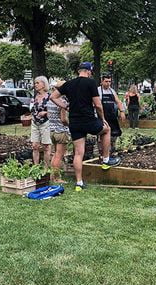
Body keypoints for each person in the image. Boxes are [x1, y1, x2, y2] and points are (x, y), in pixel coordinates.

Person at [50, 62, 120, 191]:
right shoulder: (90, 83)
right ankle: (105, 160)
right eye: (91, 72)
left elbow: (52, 97)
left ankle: (79, 183)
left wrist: (65, 106)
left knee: (78, 153)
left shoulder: (69, 84)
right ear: (88, 71)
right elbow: (98, 105)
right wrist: (103, 119)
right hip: (88, 120)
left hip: (75, 122)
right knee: (107, 129)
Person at [47, 80, 70, 183]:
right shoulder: (62, 101)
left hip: (51, 130)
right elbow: (64, 119)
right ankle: (57, 178)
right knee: (59, 155)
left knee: (54, 154)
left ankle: (52, 175)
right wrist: (70, 125)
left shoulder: (49, 100)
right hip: (61, 131)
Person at [98, 74, 125, 151]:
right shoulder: (98, 91)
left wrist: (122, 111)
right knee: (101, 135)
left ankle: (112, 150)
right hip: (102, 117)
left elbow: (118, 102)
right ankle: (102, 152)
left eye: (109, 81)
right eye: (106, 81)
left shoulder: (112, 91)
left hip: (112, 116)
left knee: (114, 134)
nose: (108, 83)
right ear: (102, 81)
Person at [31, 76, 52, 167]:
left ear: (43, 84)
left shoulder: (50, 97)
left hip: (45, 123)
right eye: (35, 83)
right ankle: (36, 168)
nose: (35, 85)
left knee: (46, 146)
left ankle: (46, 168)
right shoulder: (34, 96)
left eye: (37, 83)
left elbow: (54, 111)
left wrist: (46, 112)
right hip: (34, 123)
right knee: (35, 146)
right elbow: (31, 108)